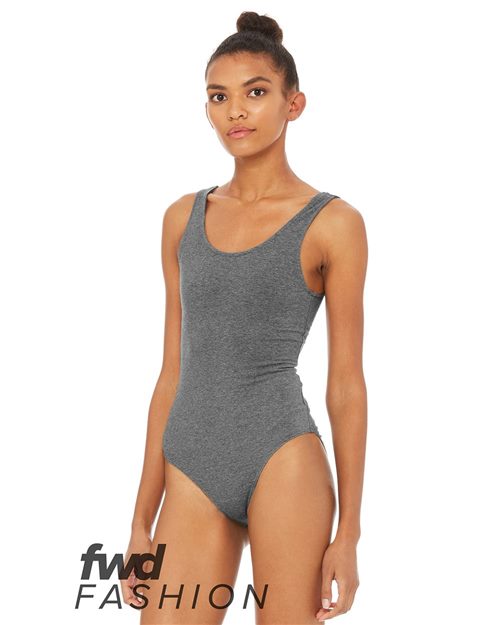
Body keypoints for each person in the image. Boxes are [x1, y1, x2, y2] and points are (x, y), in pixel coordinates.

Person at [121, 11, 368, 625]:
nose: (235, 110)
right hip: (191, 460)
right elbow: (171, 372)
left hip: (282, 456)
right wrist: (140, 521)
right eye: (218, 96)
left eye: (256, 92)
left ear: (293, 104)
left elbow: (346, 384)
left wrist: (349, 535)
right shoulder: (181, 219)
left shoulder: (334, 224)